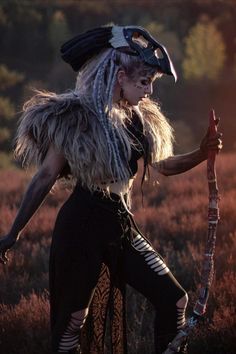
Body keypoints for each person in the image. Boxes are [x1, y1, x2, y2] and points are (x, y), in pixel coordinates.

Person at [0, 25, 222, 354]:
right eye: (143, 82)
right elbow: (45, 176)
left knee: (174, 299)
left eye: (151, 83)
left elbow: (163, 166)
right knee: (74, 321)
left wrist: (202, 153)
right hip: (80, 228)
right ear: (119, 76)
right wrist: (14, 232)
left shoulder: (138, 121)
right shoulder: (76, 119)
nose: (148, 91)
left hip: (121, 226)